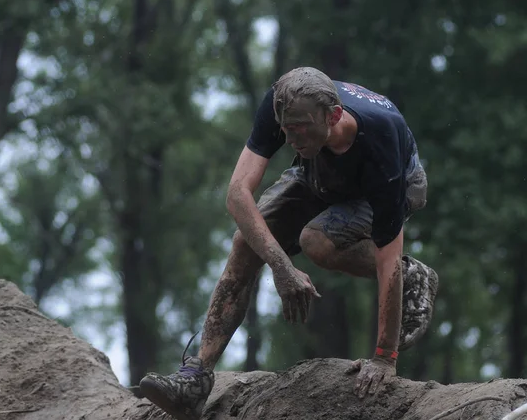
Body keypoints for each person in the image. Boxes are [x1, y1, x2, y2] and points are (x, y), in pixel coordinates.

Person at [138, 67, 439, 420]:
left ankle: (413, 274)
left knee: (317, 242)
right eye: (286, 129)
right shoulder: (282, 102)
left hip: (393, 183)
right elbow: (237, 195)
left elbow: (387, 252)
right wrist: (281, 267)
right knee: (245, 242)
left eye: (300, 128)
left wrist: (384, 358)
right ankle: (195, 378)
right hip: (322, 172)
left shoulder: (381, 138)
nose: (291, 138)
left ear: (334, 115)